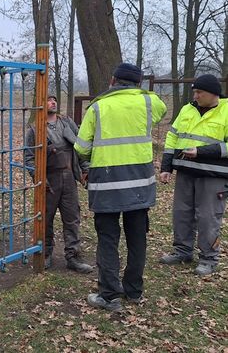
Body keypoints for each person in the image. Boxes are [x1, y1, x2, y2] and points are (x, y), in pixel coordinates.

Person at [74, 63, 167, 312]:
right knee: (137, 239)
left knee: (108, 239)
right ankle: (134, 291)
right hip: (140, 185)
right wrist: (140, 92)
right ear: (138, 84)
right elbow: (161, 106)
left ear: (113, 80)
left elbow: (81, 146)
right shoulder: (149, 103)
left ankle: (109, 296)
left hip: (107, 185)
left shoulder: (98, 106)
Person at [159, 74, 227, 276]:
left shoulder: (226, 110)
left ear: (213, 93)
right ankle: (182, 251)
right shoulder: (187, 110)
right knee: (182, 213)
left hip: (214, 175)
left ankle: (208, 258)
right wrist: (166, 167)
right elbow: (172, 138)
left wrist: (202, 151)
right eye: (194, 92)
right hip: (185, 171)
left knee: (208, 217)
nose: (195, 96)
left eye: (199, 92)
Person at [25, 95, 93, 274]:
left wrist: (85, 169)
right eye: (48, 99)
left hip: (69, 177)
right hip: (49, 181)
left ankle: (73, 256)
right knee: (45, 218)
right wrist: (38, 177)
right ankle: (45, 254)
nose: (53, 102)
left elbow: (81, 148)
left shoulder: (67, 123)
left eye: (54, 99)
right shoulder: (34, 129)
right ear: (41, 104)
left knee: (72, 217)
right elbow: (29, 158)